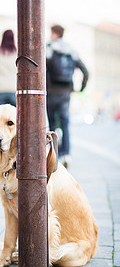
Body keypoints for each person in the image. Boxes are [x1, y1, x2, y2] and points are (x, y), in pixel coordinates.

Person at [46, 24, 89, 168]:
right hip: (66, 92)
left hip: (51, 92)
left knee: (52, 124)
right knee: (65, 124)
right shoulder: (71, 50)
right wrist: (80, 88)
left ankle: (54, 155)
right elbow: (85, 71)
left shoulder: (49, 48)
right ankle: (67, 155)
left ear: (54, 33)